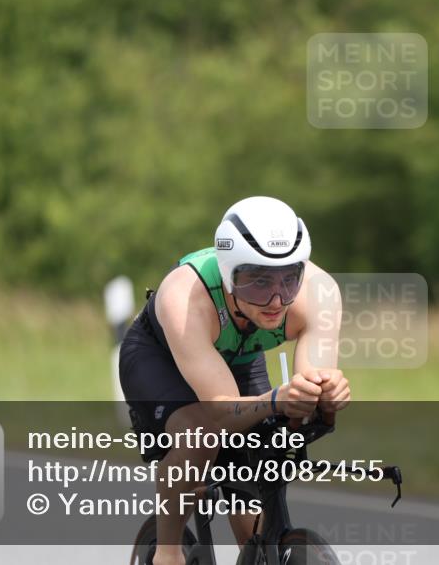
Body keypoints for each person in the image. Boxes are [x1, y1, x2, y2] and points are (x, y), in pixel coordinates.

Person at [118, 196, 350, 565]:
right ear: (228, 275)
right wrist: (276, 400)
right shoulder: (185, 297)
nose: (276, 300)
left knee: (260, 459)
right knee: (202, 436)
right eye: (258, 283)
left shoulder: (319, 293)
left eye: (289, 280)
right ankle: (167, 551)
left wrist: (324, 396)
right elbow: (221, 412)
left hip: (238, 356)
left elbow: (304, 406)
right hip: (158, 359)